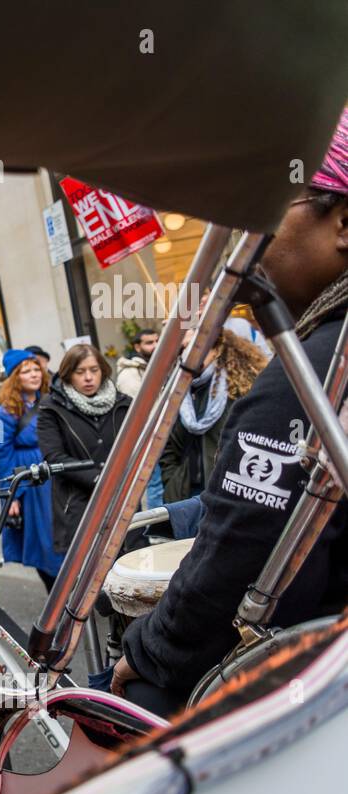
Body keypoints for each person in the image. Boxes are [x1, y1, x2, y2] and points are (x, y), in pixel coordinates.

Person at [114, 109, 348, 714]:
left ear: (342, 222)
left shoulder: (305, 379)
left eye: (266, 207)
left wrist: (145, 653)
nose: (242, 236)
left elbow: (234, 565)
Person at [36, 344, 133, 559]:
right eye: (80, 372)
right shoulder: (51, 408)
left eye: (94, 370)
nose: (88, 377)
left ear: (103, 371)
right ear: (68, 374)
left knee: (126, 573)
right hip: (78, 504)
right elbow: (53, 456)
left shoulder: (124, 404)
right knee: (87, 580)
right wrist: (99, 478)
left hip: (121, 500)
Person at [158, 328, 268, 503]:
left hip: (228, 493)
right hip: (186, 493)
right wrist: (172, 480)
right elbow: (168, 444)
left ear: (216, 349)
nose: (186, 353)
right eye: (182, 349)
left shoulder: (239, 388)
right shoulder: (179, 392)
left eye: (194, 347)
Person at [0, 349, 62, 590]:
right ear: (14, 378)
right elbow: (0, 456)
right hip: (29, 485)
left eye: (35, 369)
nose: (34, 374)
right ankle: (57, 597)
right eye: (26, 371)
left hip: (55, 476)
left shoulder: (52, 399)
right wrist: (11, 494)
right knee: (45, 545)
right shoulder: (2, 413)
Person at [114, 328, 166, 508]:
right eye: (149, 343)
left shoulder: (154, 365)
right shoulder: (130, 374)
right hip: (148, 436)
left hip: (162, 433)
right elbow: (138, 412)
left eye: (157, 341)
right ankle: (155, 530)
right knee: (154, 485)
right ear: (137, 347)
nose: (155, 346)